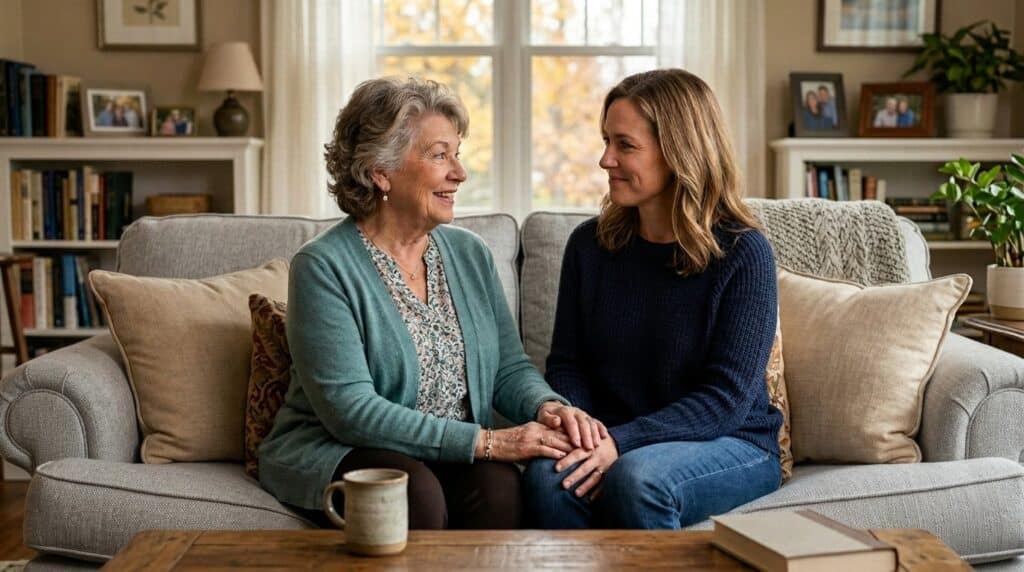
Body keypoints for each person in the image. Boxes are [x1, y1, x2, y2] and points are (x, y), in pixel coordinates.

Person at [258, 76, 605, 531]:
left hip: (452, 450)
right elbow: (351, 411)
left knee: (501, 490)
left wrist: (547, 407)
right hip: (342, 448)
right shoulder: (323, 267)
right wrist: (488, 443)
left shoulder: (469, 253)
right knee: (411, 493)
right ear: (381, 170)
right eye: (440, 155)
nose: (459, 173)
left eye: (456, 154)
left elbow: (507, 368)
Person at [524, 68, 783, 529]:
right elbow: (567, 364)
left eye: (625, 145)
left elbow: (727, 400)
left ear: (679, 151)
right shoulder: (589, 245)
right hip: (615, 436)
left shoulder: (743, 253)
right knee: (548, 477)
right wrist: (583, 428)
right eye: (605, 140)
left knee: (639, 480)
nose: (606, 160)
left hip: (731, 442)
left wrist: (620, 444)